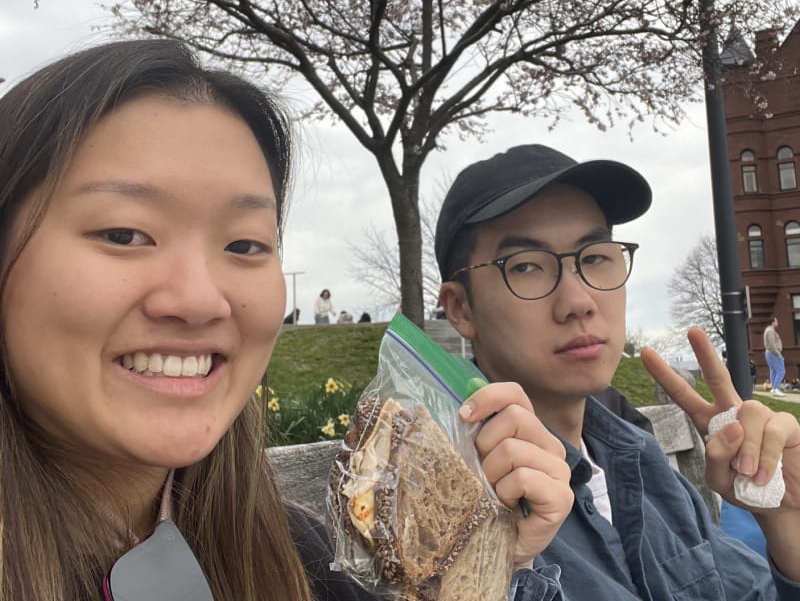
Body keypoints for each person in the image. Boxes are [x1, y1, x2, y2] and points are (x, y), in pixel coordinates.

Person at [0, 42, 572, 601]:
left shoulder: (298, 557)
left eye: (246, 244)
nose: (201, 301)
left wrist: (481, 568)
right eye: (124, 234)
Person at [435, 143, 800, 601]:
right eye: (525, 267)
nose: (578, 302)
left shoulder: (638, 457)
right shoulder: (451, 504)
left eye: (594, 257)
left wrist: (785, 521)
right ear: (460, 307)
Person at [763, 317, 786, 396]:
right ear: (773, 322)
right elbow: (772, 344)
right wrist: (778, 354)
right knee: (781, 371)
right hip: (773, 353)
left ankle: (773, 388)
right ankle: (775, 388)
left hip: (769, 353)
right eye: (776, 321)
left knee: (773, 371)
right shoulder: (770, 331)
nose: (777, 322)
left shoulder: (768, 330)